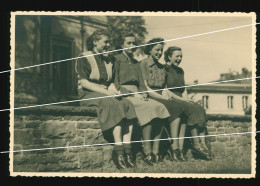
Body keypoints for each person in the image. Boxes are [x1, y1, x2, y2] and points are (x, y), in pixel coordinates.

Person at [75, 30, 137, 169]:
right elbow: (85, 83)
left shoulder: (109, 60)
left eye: (109, 42)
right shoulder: (84, 57)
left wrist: (115, 92)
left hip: (105, 92)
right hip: (87, 93)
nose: (108, 45)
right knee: (112, 103)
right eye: (105, 42)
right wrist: (108, 93)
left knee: (127, 103)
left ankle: (128, 152)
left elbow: (111, 83)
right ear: (95, 42)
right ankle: (118, 151)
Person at [140, 38, 209, 162]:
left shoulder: (161, 67)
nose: (159, 52)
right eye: (157, 50)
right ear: (150, 50)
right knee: (176, 108)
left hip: (162, 95)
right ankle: (174, 147)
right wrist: (164, 97)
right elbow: (145, 87)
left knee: (182, 108)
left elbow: (165, 88)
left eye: (161, 50)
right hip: (151, 95)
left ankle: (178, 149)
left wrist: (172, 97)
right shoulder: (143, 64)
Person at [113, 33, 170, 165]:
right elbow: (115, 84)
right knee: (148, 108)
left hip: (138, 93)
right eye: (129, 43)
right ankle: (147, 150)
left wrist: (143, 92)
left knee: (160, 107)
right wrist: (133, 94)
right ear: (122, 45)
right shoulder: (116, 60)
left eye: (134, 43)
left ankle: (156, 151)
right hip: (124, 94)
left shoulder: (136, 62)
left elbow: (142, 84)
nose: (132, 46)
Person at [163, 46, 211, 160]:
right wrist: (184, 100)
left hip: (181, 98)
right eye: (177, 56)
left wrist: (187, 99)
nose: (179, 58)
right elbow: (165, 90)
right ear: (169, 56)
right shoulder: (164, 69)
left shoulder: (181, 71)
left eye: (181, 56)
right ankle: (196, 144)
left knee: (199, 108)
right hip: (171, 98)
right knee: (192, 109)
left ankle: (203, 144)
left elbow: (183, 89)